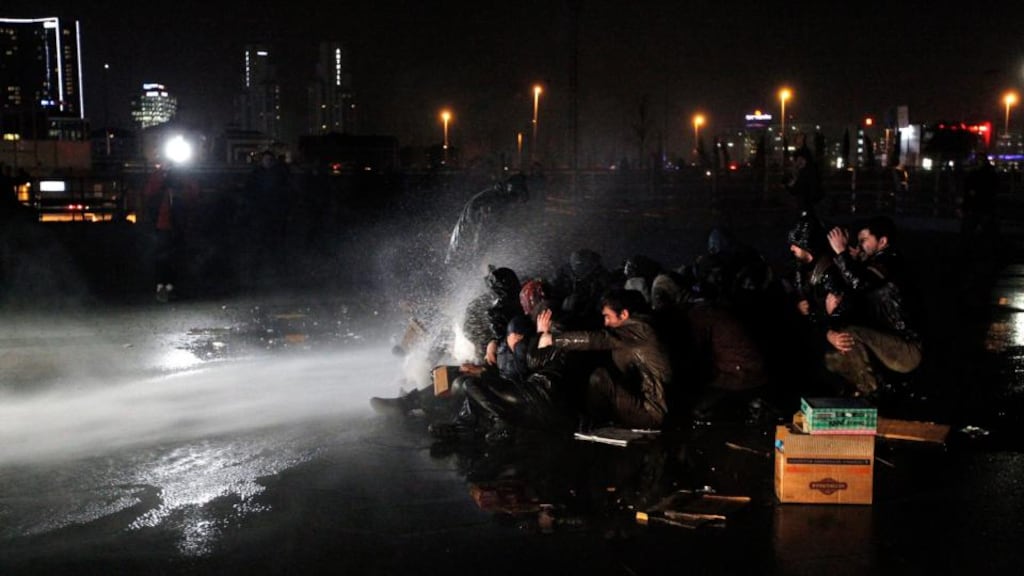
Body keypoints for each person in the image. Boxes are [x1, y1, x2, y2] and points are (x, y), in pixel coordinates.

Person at [536, 288, 671, 430]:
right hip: (655, 406)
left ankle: (595, 426)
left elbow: (597, 339)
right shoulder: (642, 328)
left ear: (624, 314)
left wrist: (552, 339)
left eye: (608, 316)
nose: (606, 323)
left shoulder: (639, 330)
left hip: (653, 413)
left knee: (600, 378)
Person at [824, 216, 923, 398]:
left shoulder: (891, 261)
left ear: (882, 241)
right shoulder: (872, 267)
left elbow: (859, 283)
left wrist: (841, 252)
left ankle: (871, 394)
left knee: (850, 335)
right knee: (833, 358)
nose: (860, 246)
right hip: (890, 346)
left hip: (907, 349)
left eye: (864, 241)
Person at [141, 166, 199, 302]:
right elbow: (149, 192)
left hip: (179, 224)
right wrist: (162, 176)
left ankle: (172, 286)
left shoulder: (186, 177)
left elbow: (194, 195)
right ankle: (162, 286)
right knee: (163, 256)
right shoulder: (161, 175)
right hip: (164, 224)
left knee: (177, 255)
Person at [785, 146, 823, 215]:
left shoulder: (805, 173)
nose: (794, 162)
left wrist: (790, 183)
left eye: (795, 159)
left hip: (808, 206)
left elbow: (794, 189)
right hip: (814, 205)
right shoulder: (812, 170)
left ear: (801, 159)